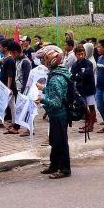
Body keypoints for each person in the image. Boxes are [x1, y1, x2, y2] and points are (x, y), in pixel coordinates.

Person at [35, 45, 71, 178]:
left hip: (59, 115)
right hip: (56, 115)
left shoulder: (56, 78)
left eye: (44, 60)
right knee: (54, 142)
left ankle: (64, 169)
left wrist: (42, 99)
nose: (43, 62)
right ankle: (54, 165)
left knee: (60, 143)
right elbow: (55, 92)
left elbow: (56, 102)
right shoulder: (58, 73)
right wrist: (43, 88)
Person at [71, 45, 97, 134]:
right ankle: (87, 123)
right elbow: (73, 76)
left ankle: (91, 126)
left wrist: (79, 76)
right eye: (78, 54)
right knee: (84, 108)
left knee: (91, 107)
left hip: (89, 89)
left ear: (85, 54)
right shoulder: (74, 65)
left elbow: (88, 74)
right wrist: (79, 76)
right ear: (75, 55)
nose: (81, 56)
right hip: (80, 90)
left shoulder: (88, 63)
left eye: (82, 54)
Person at [0, 39, 20, 134]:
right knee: (7, 105)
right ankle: (5, 121)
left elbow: (10, 75)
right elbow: (5, 73)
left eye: (0, 46)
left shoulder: (10, 59)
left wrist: (8, 87)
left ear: (5, 48)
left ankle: (15, 122)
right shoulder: (6, 59)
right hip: (5, 86)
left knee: (12, 105)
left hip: (9, 87)